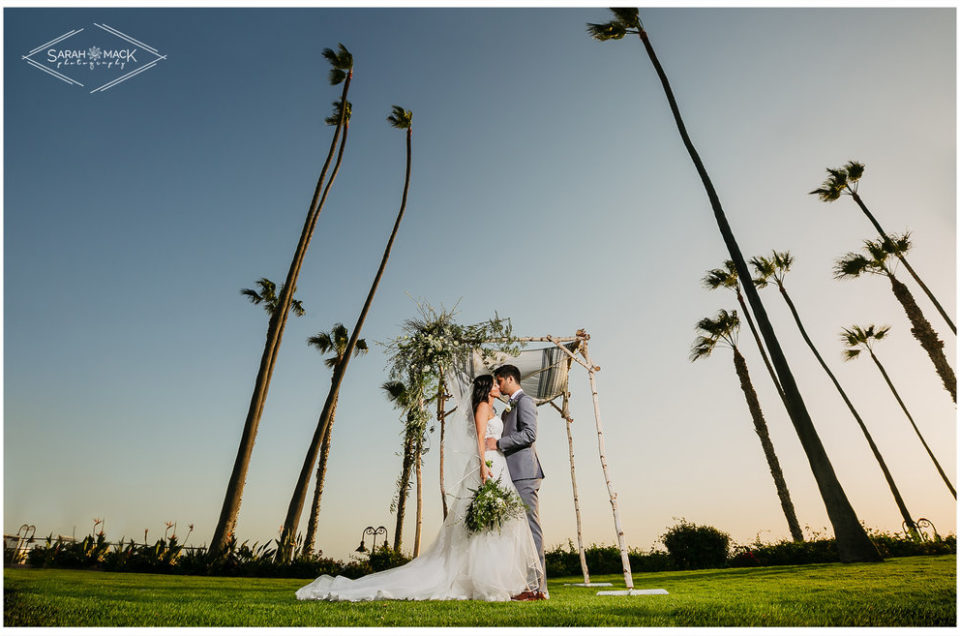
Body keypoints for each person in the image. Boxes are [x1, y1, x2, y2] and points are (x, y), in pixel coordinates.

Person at [295, 373, 542, 602]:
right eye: (495, 384)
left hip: (500, 466)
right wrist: (481, 466)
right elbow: (479, 438)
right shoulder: (482, 407)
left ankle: (502, 580)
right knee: (484, 527)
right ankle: (486, 582)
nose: (499, 387)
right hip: (487, 464)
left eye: (500, 382)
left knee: (499, 525)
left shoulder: (495, 408)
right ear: (487, 388)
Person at [487, 364, 548, 600]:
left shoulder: (525, 402)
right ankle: (523, 585)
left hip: (525, 473)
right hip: (510, 474)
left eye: (500, 381)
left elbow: (530, 434)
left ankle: (539, 589)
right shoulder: (507, 409)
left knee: (531, 529)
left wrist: (498, 444)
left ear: (510, 379)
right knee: (516, 533)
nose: (498, 387)